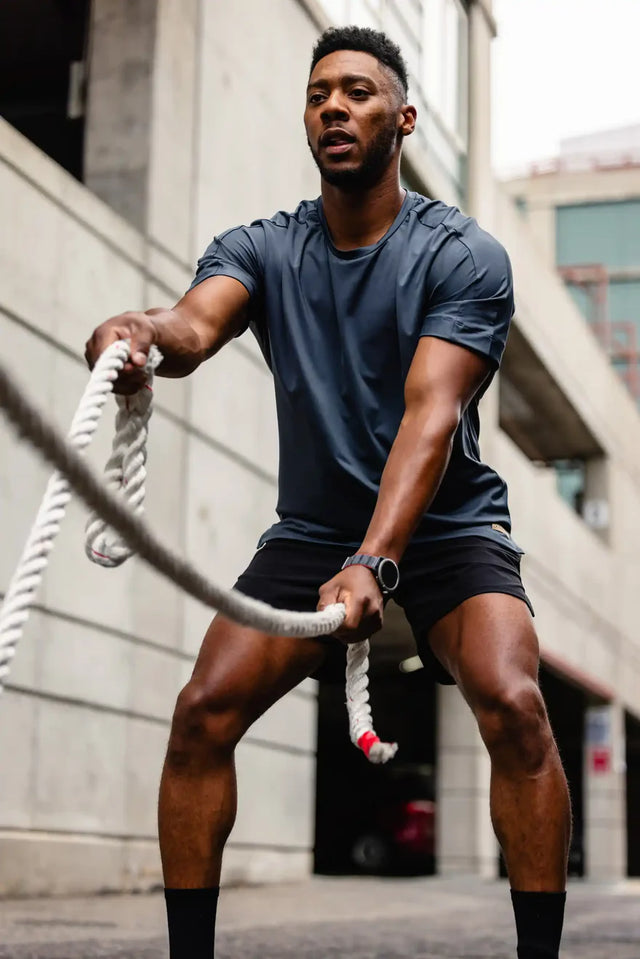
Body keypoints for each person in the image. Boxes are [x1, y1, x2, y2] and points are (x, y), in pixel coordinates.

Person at [85, 25, 571, 959]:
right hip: (313, 529)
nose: (334, 109)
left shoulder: (463, 255)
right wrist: (137, 333)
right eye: (319, 96)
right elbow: (191, 326)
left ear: (403, 117)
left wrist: (375, 560)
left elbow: (430, 417)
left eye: (356, 92)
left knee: (516, 702)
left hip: (445, 523)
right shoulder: (263, 248)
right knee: (201, 716)